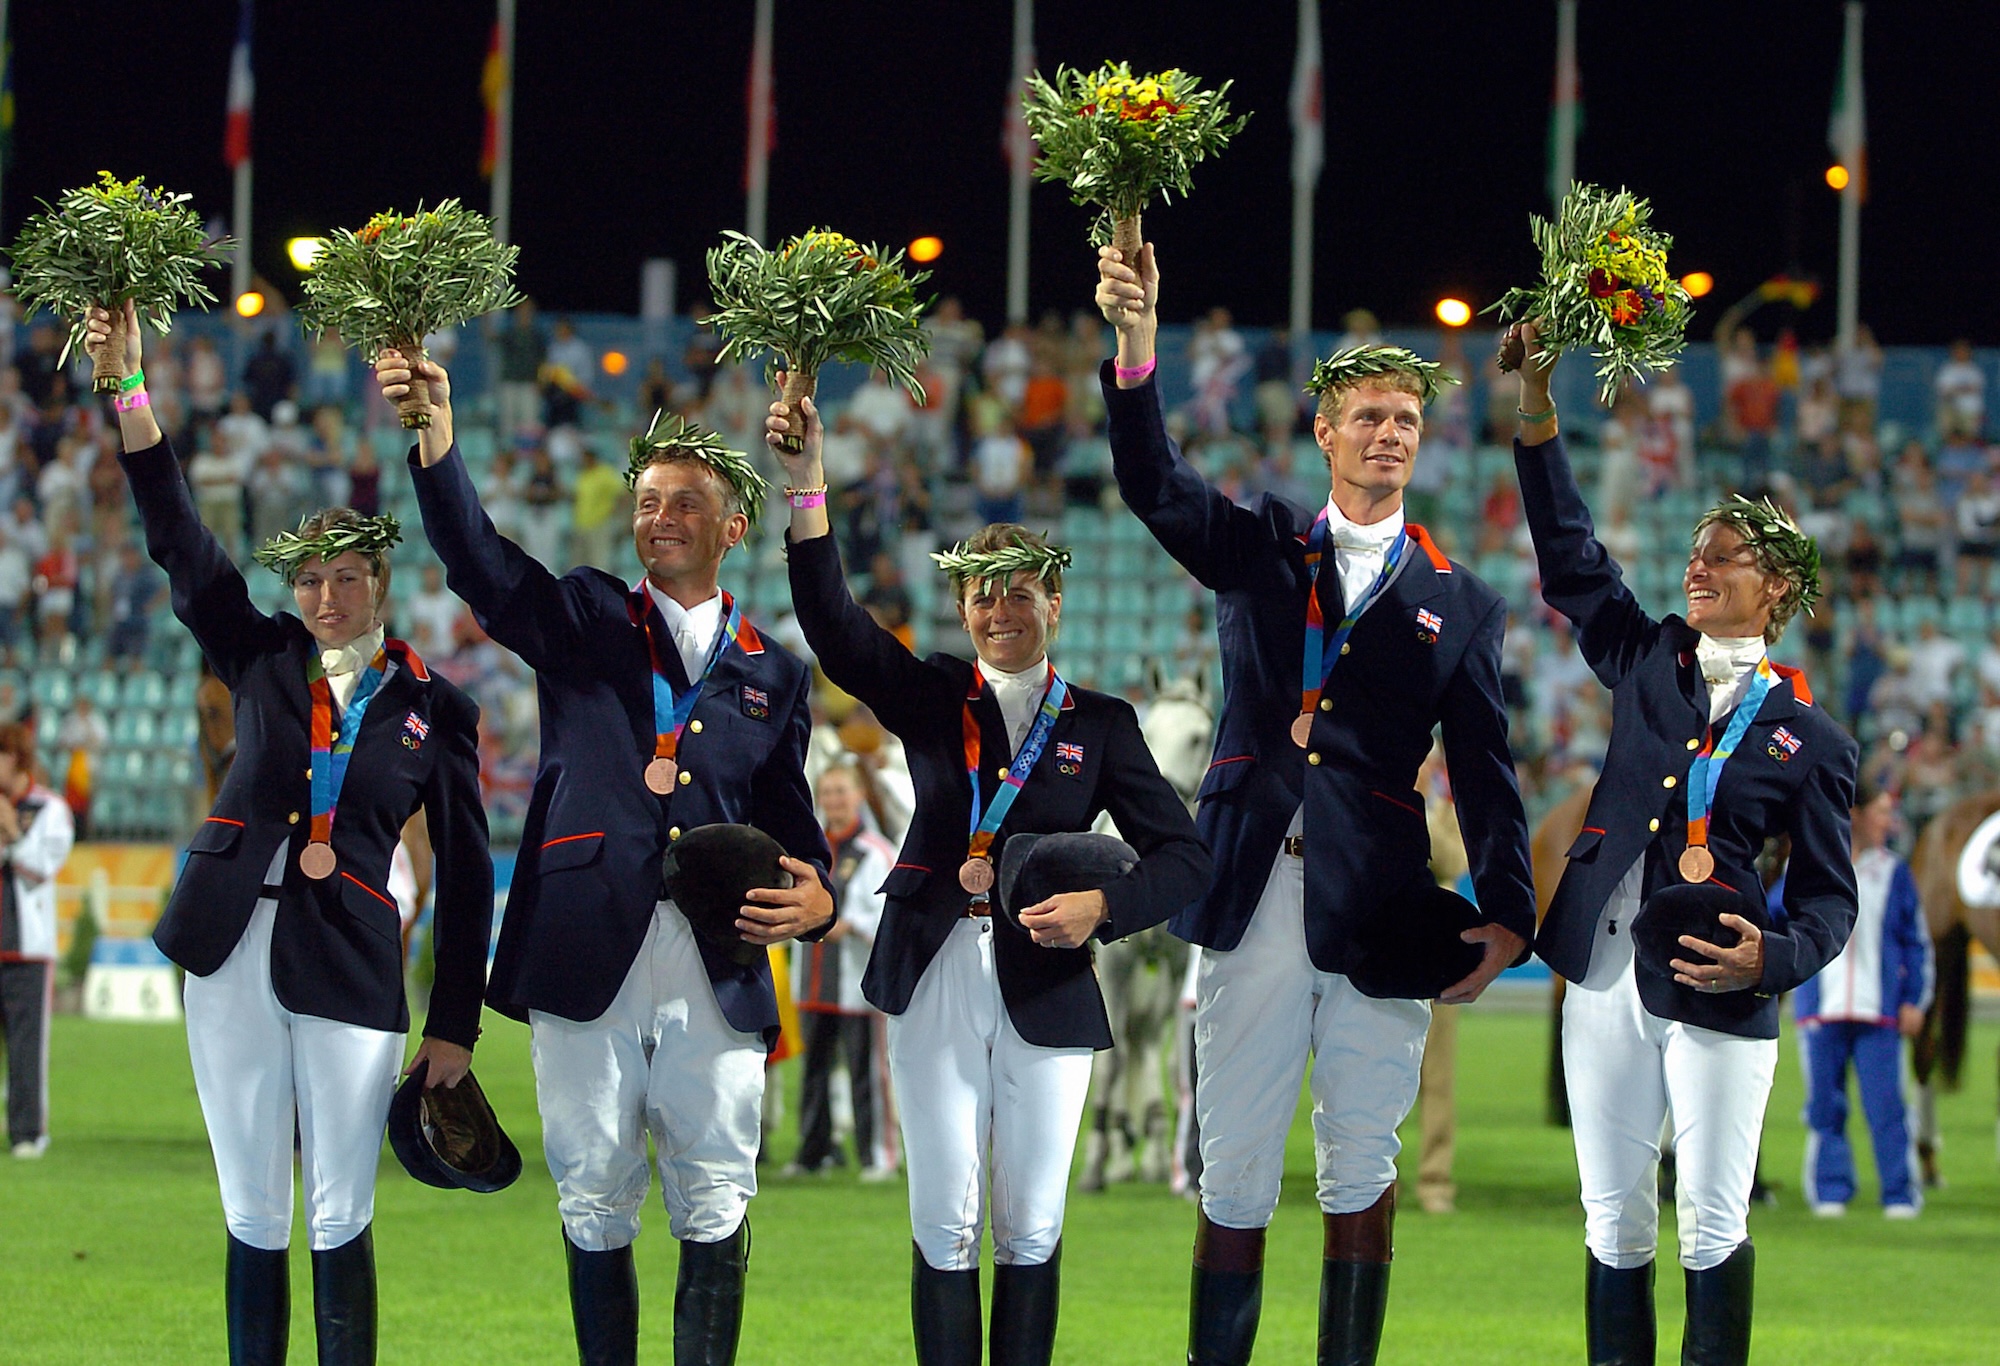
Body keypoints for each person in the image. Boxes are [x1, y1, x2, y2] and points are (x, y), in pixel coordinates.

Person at [1095, 244, 1535, 1366]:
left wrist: (1508, 911)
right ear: (1324, 432)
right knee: (1232, 1158)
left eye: (1404, 418)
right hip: (1248, 886)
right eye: (1366, 416)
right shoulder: (1260, 547)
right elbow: (1154, 484)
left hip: (1381, 905)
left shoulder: (1460, 605)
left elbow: (1486, 769)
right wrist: (1137, 344)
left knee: (1360, 1158)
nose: (1387, 432)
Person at [377, 349, 834, 1366]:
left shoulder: (775, 672)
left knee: (716, 1186)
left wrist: (818, 898)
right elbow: (479, 563)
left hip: (717, 959)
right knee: (590, 1187)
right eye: (647, 500)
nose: (659, 516)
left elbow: (796, 832)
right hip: (582, 946)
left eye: (684, 502)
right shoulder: (583, 614)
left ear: (733, 526)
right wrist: (437, 434)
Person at [86, 301, 494, 1366]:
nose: (322, 594)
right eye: (308, 578)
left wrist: (453, 1026)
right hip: (225, 949)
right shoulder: (258, 655)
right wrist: (131, 389)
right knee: (252, 1206)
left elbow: (464, 879)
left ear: (382, 584)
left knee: (338, 1208)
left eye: (344, 577)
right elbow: (176, 532)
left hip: (352, 961)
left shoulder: (434, 708)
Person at [770, 387, 1211, 1366]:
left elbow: (1186, 856)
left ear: (1053, 603)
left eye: (1019, 592)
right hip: (929, 969)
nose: (999, 608)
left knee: (1032, 1223)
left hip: (1047, 983)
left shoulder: (1099, 723)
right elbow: (835, 625)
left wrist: (1104, 906)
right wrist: (806, 488)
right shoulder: (929, 693)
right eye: (982, 592)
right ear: (960, 604)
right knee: (943, 1219)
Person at [1506, 319, 1859, 1366]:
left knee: (1710, 1225)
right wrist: (1535, 409)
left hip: (1719, 985)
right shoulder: (1645, 656)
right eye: (1696, 552)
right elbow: (1569, 558)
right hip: (1601, 976)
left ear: (1778, 588)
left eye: (1725, 556)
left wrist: (1776, 956)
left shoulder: (1812, 739)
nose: (1698, 565)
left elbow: (1831, 901)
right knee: (1610, 1224)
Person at [1793, 780, 1933, 1218]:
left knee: (1886, 1105)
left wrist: (1915, 999)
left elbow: (1917, 942)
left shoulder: (1894, 872)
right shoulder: (1814, 867)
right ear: (1853, 815)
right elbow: (1779, 918)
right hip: (1821, 1010)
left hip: (1881, 1012)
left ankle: (1899, 1193)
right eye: (1881, 811)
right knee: (1824, 1105)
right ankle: (1830, 1189)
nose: (1889, 822)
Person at [788, 763, 896, 1177]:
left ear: (858, 796)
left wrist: (849, 924)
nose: (833, 801)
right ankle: (811, 1154)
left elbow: (887, 915)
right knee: (813, 1071)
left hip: (856, 980)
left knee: (866, 1072)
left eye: (841, 792)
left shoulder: (875, 850)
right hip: (813, 979)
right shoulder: (807, 851)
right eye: (827, 792)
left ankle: (877, 1156)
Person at [0, 721, 74, 1159]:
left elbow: (41, 867)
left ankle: (28, 1133)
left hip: (27, 948)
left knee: (27, 1047)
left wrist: (11, 833)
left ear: (17, 760)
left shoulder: (49, 809)